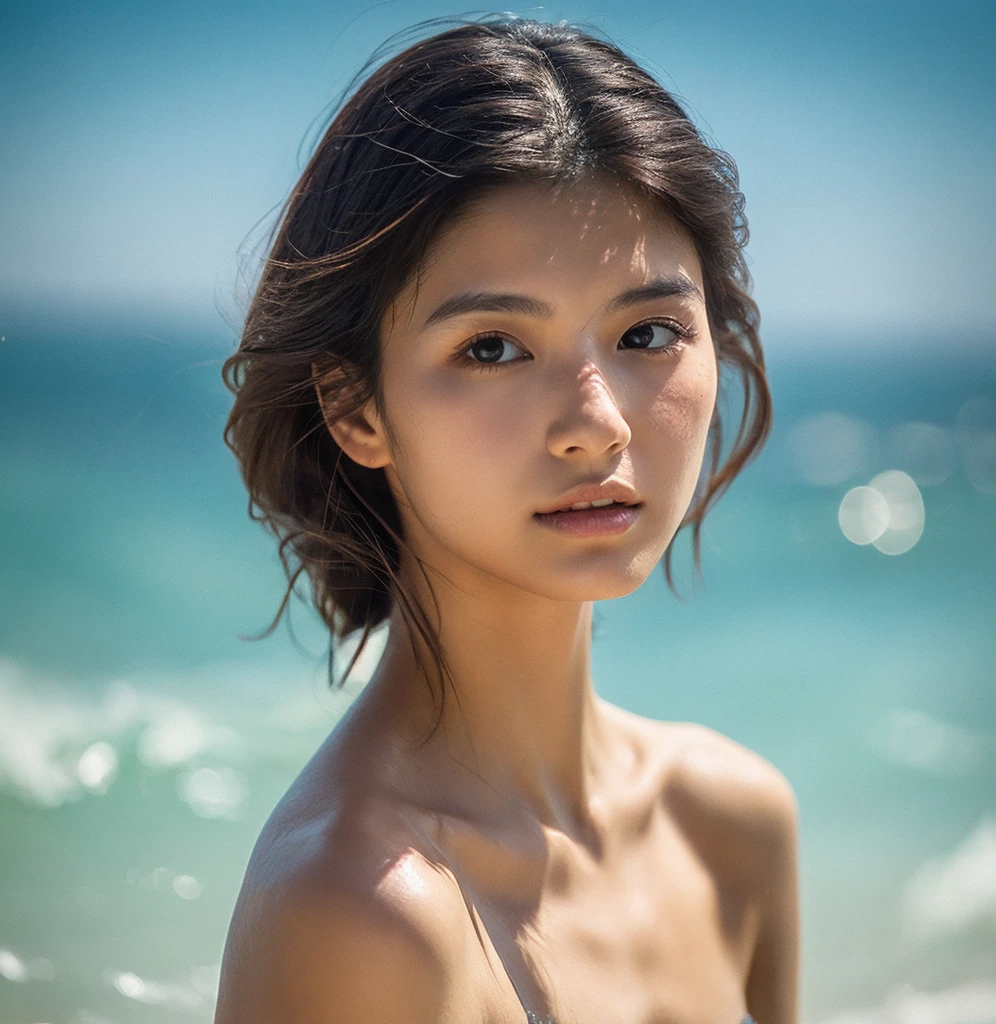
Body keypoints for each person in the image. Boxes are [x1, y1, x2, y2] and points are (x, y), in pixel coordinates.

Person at [213, 14, 800, 1024]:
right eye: (492, 347)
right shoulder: (363, 914)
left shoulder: (732, 823)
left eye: (647, 332)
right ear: (356, 407)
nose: (596, 423)